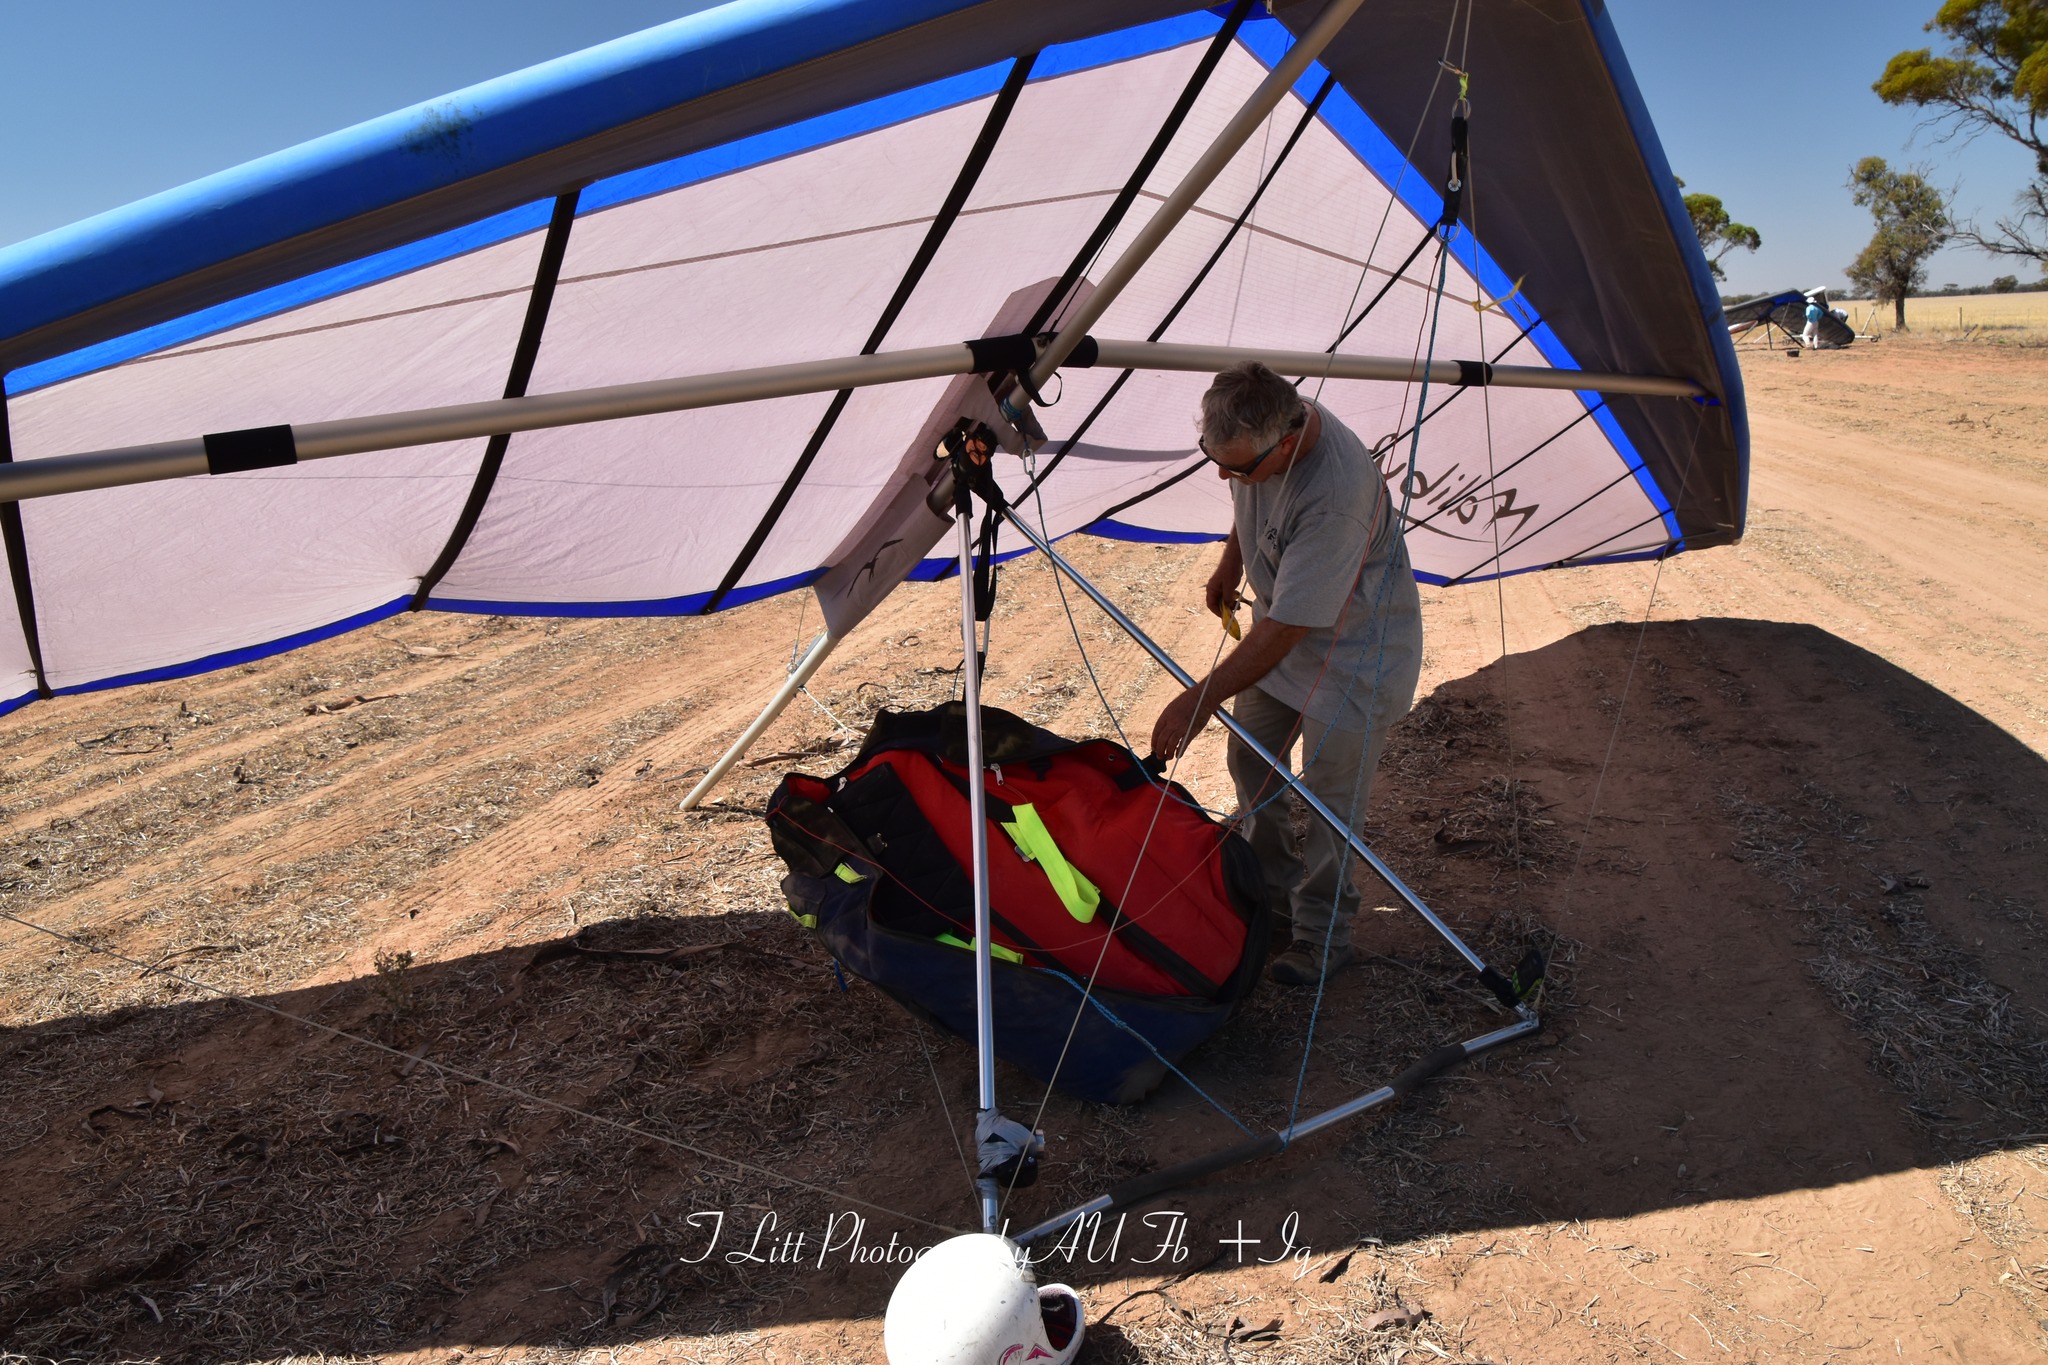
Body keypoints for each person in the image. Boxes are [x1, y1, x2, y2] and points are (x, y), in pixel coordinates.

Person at [1149, 362, 1422, 987]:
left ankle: (1323, 934)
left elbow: (1287, 627)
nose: (1224, 476)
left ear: (1288, 442)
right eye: (1212, 457)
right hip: (1285, 639)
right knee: (1251, 761)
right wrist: (1232, 561)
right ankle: (1270, 899)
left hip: (1353, 657)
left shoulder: (1336, 497)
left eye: (1237, 466)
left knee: (1330, 804)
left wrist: (1201, 697)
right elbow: (1251, 493)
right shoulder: (1259, 439)